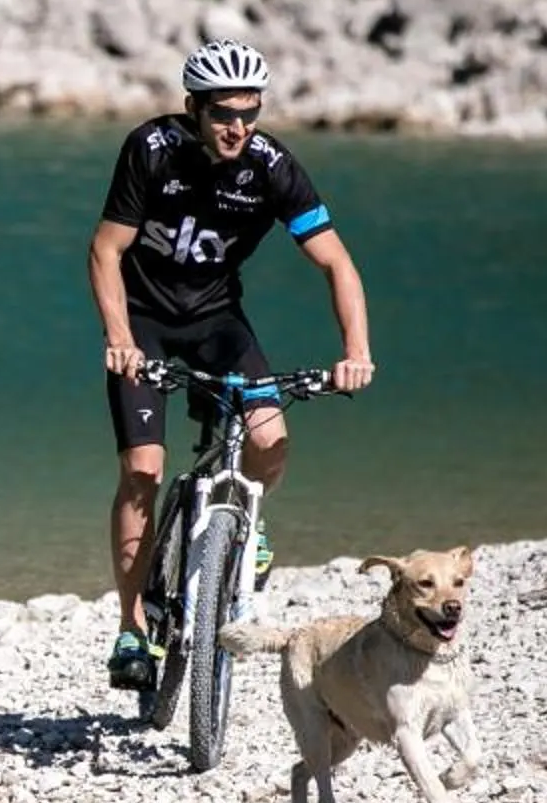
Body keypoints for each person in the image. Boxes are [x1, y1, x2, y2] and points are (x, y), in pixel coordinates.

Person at [88, 40, 373, 691]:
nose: (237, 127)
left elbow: (336, 261)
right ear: (193, 107)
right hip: (146, 325)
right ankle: (133, 629)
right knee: (143, 470)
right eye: (222, 113)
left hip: (219, 323)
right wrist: (119, 337)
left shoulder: (272, 167)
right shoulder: (151, 149)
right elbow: (105, 251)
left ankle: (249, 519)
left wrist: (356, 353)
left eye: (249, 112)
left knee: (271, 438)